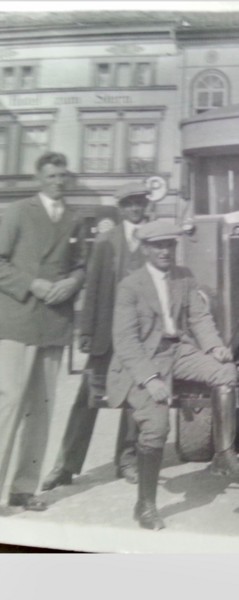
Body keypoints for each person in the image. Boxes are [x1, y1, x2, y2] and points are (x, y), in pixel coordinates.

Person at [107, 220, 239, 530]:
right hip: (144, 360)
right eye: (158, 245)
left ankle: (224, 453)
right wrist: (150, 380)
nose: (165, 251)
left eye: (169, 245)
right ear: (146, 249)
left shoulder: (183, 276)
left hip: (179, 350)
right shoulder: (130, 286)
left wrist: (214, 347)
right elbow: (125, 342)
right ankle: (145, 506)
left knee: (226, 373)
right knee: (156, 428)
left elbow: (199, 317)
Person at [42, 183, 151, 492]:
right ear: (121, 208)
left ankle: (127, 460)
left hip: (140, 336)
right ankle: (66, 465)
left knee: (135, 397)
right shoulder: (105, 241)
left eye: (139, 202)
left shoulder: (154, 239)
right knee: (87, 398)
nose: (134, 208)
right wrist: (87, 331)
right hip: (106, 334)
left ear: (145, 205)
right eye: (128, 203)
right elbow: (92, 288)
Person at [0, 151, 86, 511]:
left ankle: (24, 488)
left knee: (43, 408)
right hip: (18, 321)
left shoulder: (75, 218)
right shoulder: (17, 212)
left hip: (53, 322)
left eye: (62, 175)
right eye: (51, 176)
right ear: (39, 178)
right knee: (9, 404)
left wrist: (73, 283)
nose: (58, 181)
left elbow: (81, 265)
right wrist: (31, 283)